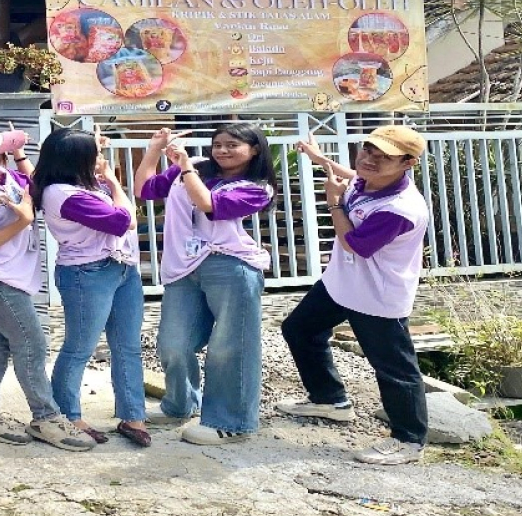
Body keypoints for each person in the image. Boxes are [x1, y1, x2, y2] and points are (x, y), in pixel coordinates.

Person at [279, 126, 432, 466]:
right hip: (341, 283)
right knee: (299, 329)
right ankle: (329, 399)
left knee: (394, 368)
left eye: (383, 157)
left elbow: (357, 245)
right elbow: (354, 178)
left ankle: (409, 439)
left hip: (377, 296)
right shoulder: (370, 181)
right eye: (368, 150)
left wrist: (333, 203)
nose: (369, 160)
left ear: (407, 163)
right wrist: (322, 161)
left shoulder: (401, 208)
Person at [0, 126, 94, 452]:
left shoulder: (1, 178)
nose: (3, 157)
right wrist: (22, 221)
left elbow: (32, 185)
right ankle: (46, 417)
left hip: (9, 274)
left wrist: (21, 155)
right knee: (32, 343)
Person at [136, 125, 276, 446]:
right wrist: (155, 149)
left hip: (231, 266)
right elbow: (144, 189)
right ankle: (180, 404)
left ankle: (232, 423)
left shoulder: (256, 187)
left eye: (232, 145)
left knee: (230, 347)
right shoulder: (196, 166)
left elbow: (209, 204)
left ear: (255, 149)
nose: (222, 151)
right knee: (173, 343)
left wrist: (184, 166)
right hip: (183, 267)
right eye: (218, 145)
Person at [33, 128, 149, 447]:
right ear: (76, 159)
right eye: (94, 154)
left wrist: (105, 176)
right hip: (88, 273)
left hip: (122, 267)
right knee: (79, 348)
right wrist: (113, 182)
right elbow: (125, 220)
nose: (100, 158)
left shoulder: (80, 184)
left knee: (127, 345)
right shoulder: (62, 193)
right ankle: (67, 415)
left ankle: (133, 414)